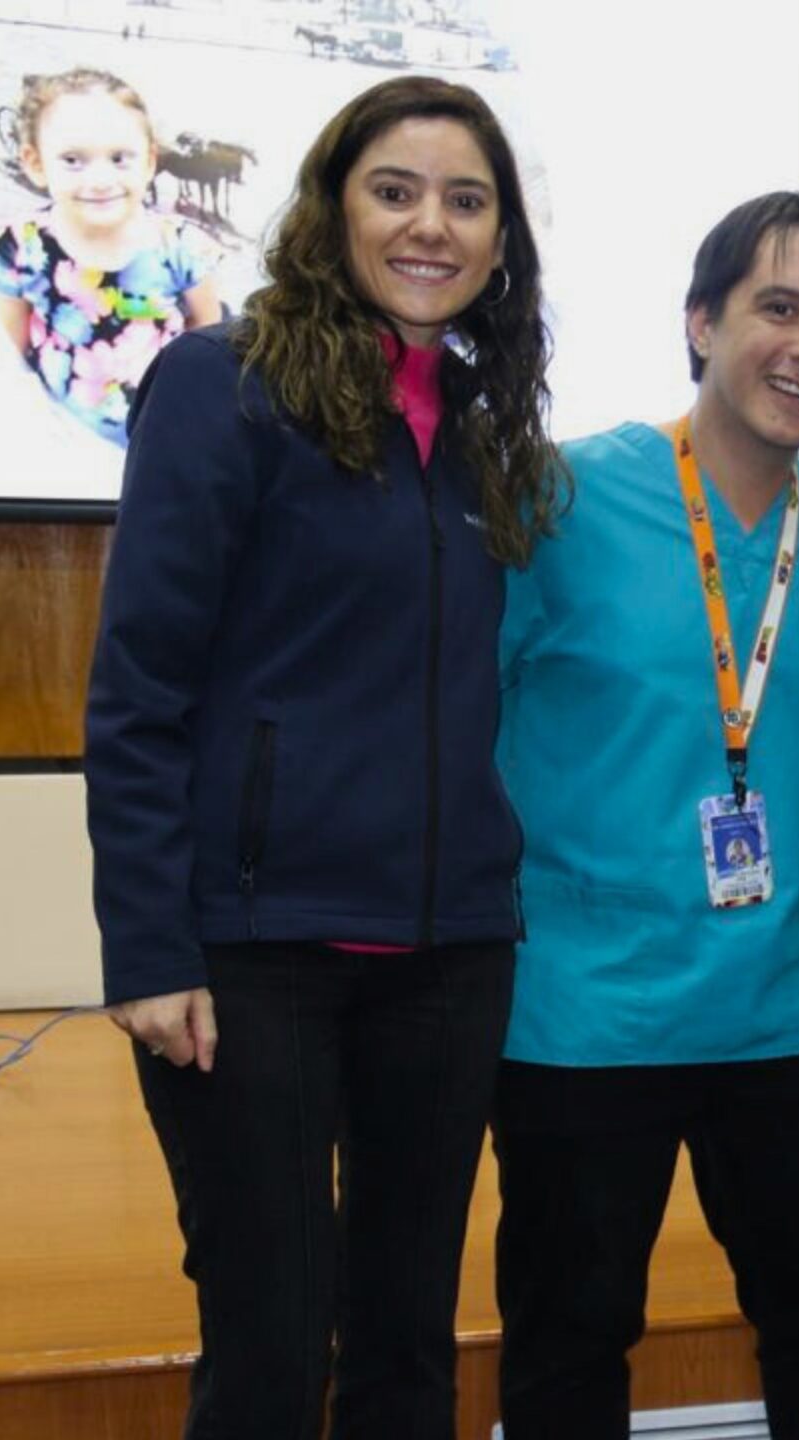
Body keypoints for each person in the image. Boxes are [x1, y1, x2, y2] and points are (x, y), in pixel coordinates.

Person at [85, 75, 565, 1437]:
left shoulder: (484, 426)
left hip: (449, 956)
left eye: (466, 200)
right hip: (256, 958)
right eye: (394, 192)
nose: (431, 226)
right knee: (272, 1342)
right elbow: (138, 688)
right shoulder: (219, 384)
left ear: (501, 237)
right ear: (331, 210)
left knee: (409, 1347)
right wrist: (149, 947)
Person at [491, 191, 799, 1439]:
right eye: (779, 308)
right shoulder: (557, 501)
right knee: (569, 1338)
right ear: (700, 322)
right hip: (582, 1012)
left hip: (784, 1006)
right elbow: (459, 721)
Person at [0, 68, 225, 446]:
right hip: (60, 433)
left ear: (149, 162)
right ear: (35, 163)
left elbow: (207, 338)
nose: (99, 180)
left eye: (119, 158)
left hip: (159, 433)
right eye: (72, 160)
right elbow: (9, 347)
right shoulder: (22, 245)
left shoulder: (183, 247)